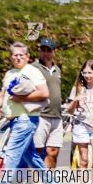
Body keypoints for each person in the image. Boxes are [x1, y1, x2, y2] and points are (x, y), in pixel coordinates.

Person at [0, 42, 49, 170]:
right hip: (12, 119)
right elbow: (1, 97)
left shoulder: (32, 71)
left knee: (11, 154)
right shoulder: (9, 74)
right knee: (31, 156)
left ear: (27, 57)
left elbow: (44, 92)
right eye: (15, 55)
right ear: (11, 57)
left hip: (26, 119)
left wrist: (22, 98)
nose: (18, 58)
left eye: (21, 55)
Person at [66, 60, 93, 175]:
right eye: (84, 73)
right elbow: (70, 110)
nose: (87, 75)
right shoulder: (78, 88)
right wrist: (76, 99)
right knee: (84, 160)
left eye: (90, 73)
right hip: (81, 125)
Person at [31, 38, 64, 168]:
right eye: (43, 50)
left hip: (56, 116)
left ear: (53, 52)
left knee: (53, 151)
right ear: (39, 51)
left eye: (48, 50)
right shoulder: (33, 68)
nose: (45, 53)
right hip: (40, 115)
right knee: (37, 151)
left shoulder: (57, 69)